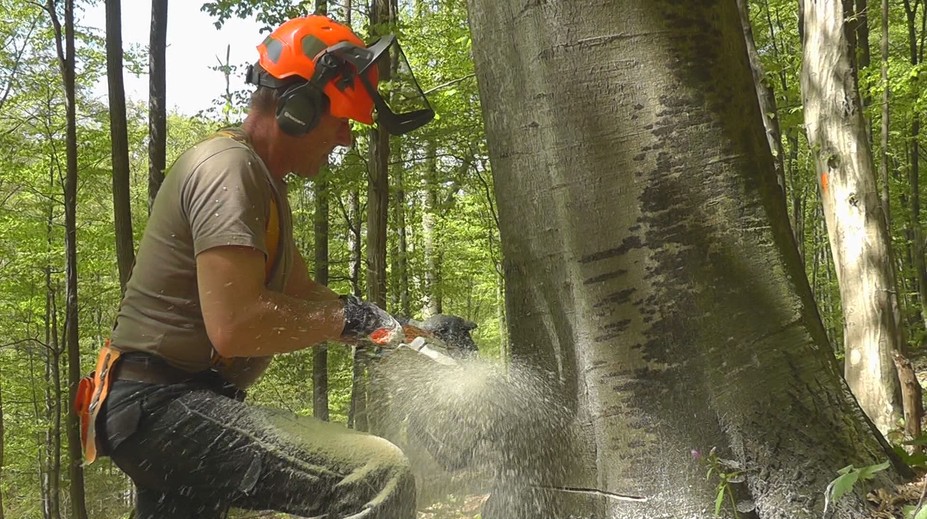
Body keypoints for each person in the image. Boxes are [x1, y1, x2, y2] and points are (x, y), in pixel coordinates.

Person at [85, 14, 434, 519]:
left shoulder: (261, 180)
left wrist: (398, 328)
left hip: (166, 405)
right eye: (341, 123)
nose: (347, 140)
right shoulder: (229, 170)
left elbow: (302, 292)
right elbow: (237, 325)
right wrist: (345, 322)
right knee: (375, 473)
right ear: (298, 109)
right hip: (162, 407)